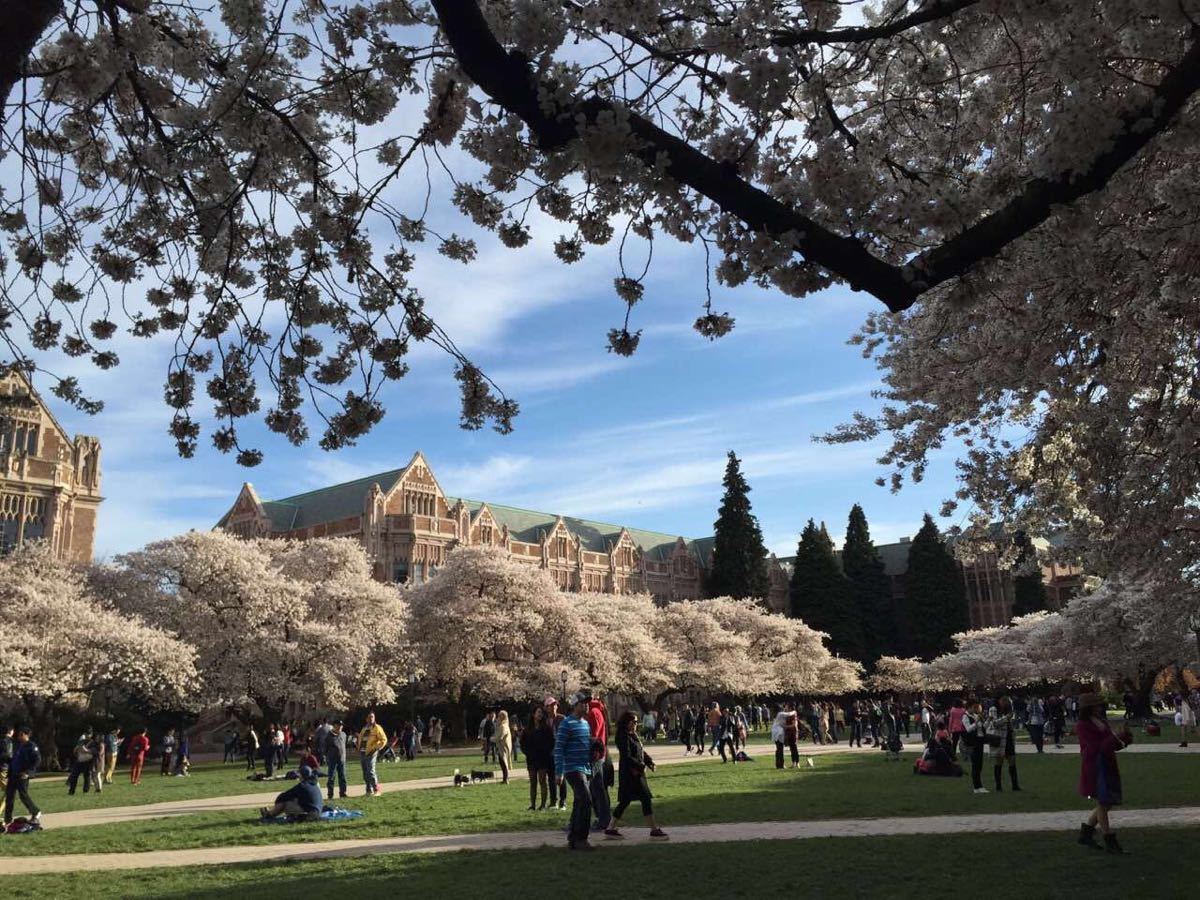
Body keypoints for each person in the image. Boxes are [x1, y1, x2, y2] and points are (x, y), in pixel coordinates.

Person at [1075, 692, 1133, 854]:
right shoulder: (1082, 725)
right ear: (1089, 708)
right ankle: (1109, 840)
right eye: (1097, 705)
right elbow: (1096, 747)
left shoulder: (1100, 721)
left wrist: (1124, 739)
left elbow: (1109, 745)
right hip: (1095, 766)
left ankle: (1086, 834)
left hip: (1107, 764)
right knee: (1103, 801)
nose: (1100, 707)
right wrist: (1115, 736)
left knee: (1106, 802)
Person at [605, 711, 669, 840]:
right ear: (626, 722)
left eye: (636, 722)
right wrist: (641, 766)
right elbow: (627, 756)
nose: (635, 724)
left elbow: (640, 750)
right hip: (630, 774)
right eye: (633, 722)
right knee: (642, 799)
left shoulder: (632, 735)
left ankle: (610, 828)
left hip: (636, 773)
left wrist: (649, 762)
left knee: (627, 801)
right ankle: (653, 830)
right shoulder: (622, 736)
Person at [554, 692, 595, 850]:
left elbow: (585, 744)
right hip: (572, 769)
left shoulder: (585, 724)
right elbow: (559, 748)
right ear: (575, 705)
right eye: (583, 703)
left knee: (579, 802)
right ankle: (581, 839)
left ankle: (573, 837)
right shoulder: (566, 724)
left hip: (585, 768)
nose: (586, 705)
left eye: (587, 703)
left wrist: (594, 745)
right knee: (586, 800)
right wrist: (559, 772)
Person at [3, 726, 41, 827]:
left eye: (21, 735)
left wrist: (28, 773)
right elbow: (13, 759)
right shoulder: (18, 746)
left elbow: (37, 760)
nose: (19, 736)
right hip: (13, 775)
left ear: (26, 735)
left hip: (22, 775)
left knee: (23, 795)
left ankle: (36, 812)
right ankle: (7, 820)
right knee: (9, 797)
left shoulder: (31, 746)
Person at [586, 694, 613, 832]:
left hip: (596, 754)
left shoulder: (592, 713)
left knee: (597, 787)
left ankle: (604, 819)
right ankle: (604, 818)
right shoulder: (598, 711)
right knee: (597, 787)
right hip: (600, 753)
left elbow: (593, 734)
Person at [521, 706, 554, 810]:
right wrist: (527, 753)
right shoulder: (527, 729)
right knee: (533, 782)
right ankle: (533, 805)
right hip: (531, 759)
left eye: (541, 713)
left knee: (542, 781)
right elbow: (523, 743)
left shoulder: (547, 728)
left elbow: (551, 742)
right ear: (533, 714)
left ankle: (543, 805)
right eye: (538, 712)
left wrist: (546, 752)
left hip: (543, 759)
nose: (540, 714)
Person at [987, 697, 1021, 792]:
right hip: (1000, 738)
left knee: (1012, 761)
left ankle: (1015, 785)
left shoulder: (1008, 710)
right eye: (1003, 700)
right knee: (999, 762)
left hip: (1009, 738)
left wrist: (1011, 719)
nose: (1005, 702)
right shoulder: (993, 709)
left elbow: (1011, 723)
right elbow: (994, 723)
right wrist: (1006, 718)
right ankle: (998, 786)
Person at [359, 712, 388, 796]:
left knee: (371, 771)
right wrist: (358, 747)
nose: (371, 718)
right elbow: (360, 738)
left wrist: (376, 748)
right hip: (363, 752)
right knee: (365, 772)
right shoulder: (364, 728)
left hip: (371, 753)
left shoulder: (377, 728)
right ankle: (369, 790)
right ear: (366, 719)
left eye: (372, 717)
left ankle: (377, 790)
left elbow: (384, 739)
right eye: (369, 717)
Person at [962, 701, 987, 794]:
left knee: (980, 764)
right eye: (974, 708)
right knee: (975, 765)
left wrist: (986, 720)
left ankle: (980, 786)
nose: (976, 710)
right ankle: (976, 787)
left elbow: (983, 727)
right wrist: (976, 722)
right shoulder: (965, 716)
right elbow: (968, 729)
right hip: (973, 742)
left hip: (980, 741)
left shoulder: (976, 716)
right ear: (969, 707)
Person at [323, 720, 348, 799]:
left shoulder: (344, 735)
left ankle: (343, 793)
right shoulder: (329, 736)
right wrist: (326, 757)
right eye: (338, 725)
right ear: (334, 726)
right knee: (331, 778)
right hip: (332, 760)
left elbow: (344, 745)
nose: (340, 727)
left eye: (341, 725)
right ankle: (330, 794)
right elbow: (325, 748)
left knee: (343, 777)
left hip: (342, 760)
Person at [67, 728, 95, 795]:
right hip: (79, 760)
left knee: (86, 776)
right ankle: (71, 791)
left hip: (87, 761)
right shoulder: (81, 741)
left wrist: (84, 750)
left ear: (91, 734)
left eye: (88, 734)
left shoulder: (92, 742)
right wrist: (77, 753)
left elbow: (93, 752)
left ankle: (86, 791)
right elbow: (75, 750)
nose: (87, 735)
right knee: (74, 776)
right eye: (86, 734)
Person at [772, 704, 800, 769]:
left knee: (779, 749)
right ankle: (781, 765)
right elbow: (789, 714)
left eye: (787, 707)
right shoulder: (780, 714)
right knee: (780, 749)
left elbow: (794, 723)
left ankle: (779, 764)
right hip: (779, 734)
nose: (785, 708)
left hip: (780, 734)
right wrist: (794, 711)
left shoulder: (780, 715)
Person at [495, 710, 513, 784]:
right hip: (502, 747)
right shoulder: (504, 725)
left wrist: (492, 739)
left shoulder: (503, 726)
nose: (498, 717)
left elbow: (500, 736)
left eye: (499, 716)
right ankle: (504, 778)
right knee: (502, 763)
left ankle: (506, 779)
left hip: (503, 747)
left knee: (504, 763)